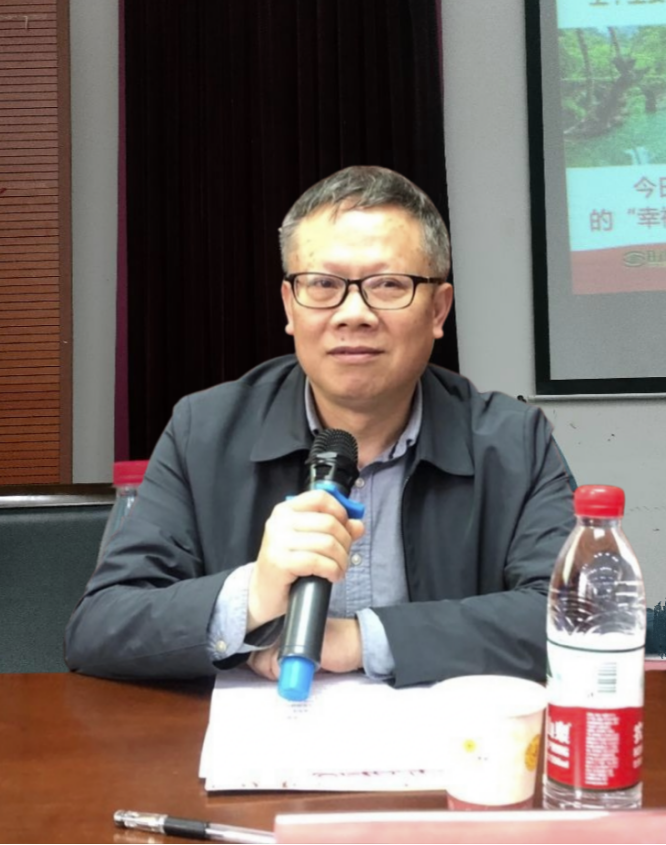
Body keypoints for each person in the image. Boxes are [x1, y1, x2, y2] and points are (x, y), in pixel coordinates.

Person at [65, 166, 575, 685]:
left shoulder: (514, 442)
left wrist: (361, 641)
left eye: (388, 285)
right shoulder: (205, 432)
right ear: (290, 306)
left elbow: (575, 616)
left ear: (438, 311)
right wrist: (253, 595)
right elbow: (100, 627)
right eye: (324, 285)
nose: (353, 313)